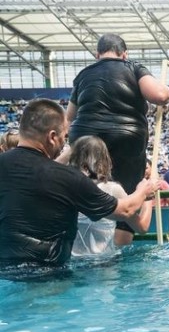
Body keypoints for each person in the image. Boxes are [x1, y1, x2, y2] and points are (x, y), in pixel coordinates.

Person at [0, 99, 158, 266]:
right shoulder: (66, 178)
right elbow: (125, 210)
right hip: (49, 274)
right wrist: (144, 190)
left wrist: (74, 149)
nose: (63, 144)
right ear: (53, 137)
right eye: (63, 137)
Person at [66, 33, 169, 239]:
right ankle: (122, 243)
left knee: (88, 188)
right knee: (126, 191)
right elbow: (159, 96)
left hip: (84, 138)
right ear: (124, 54)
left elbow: (69, 117)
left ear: (97, 55)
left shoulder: (83, 74)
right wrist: (168, 91)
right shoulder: (133, 67)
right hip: (126, 138)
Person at [69, 136, 153, 254]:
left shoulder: (63, 187)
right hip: (104, 266)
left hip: (71, 264)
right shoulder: (112, 189)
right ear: (105, 161)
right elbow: (142, 227)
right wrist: (148, 197)